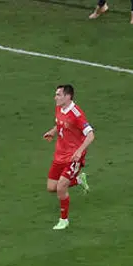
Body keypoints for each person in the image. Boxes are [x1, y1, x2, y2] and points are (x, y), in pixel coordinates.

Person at [42, 85, 93, 231]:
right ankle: (78, 179)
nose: (55, 97)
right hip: (60, 154)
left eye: (58, 95)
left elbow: (91, 135)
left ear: (68, 96)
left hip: (73, 156)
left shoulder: (77, 114)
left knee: (61, 187)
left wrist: (79, 151)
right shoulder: (59, 108)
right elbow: (60, 124)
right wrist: (52, 131)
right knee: (51, 188)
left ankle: (64, 220)